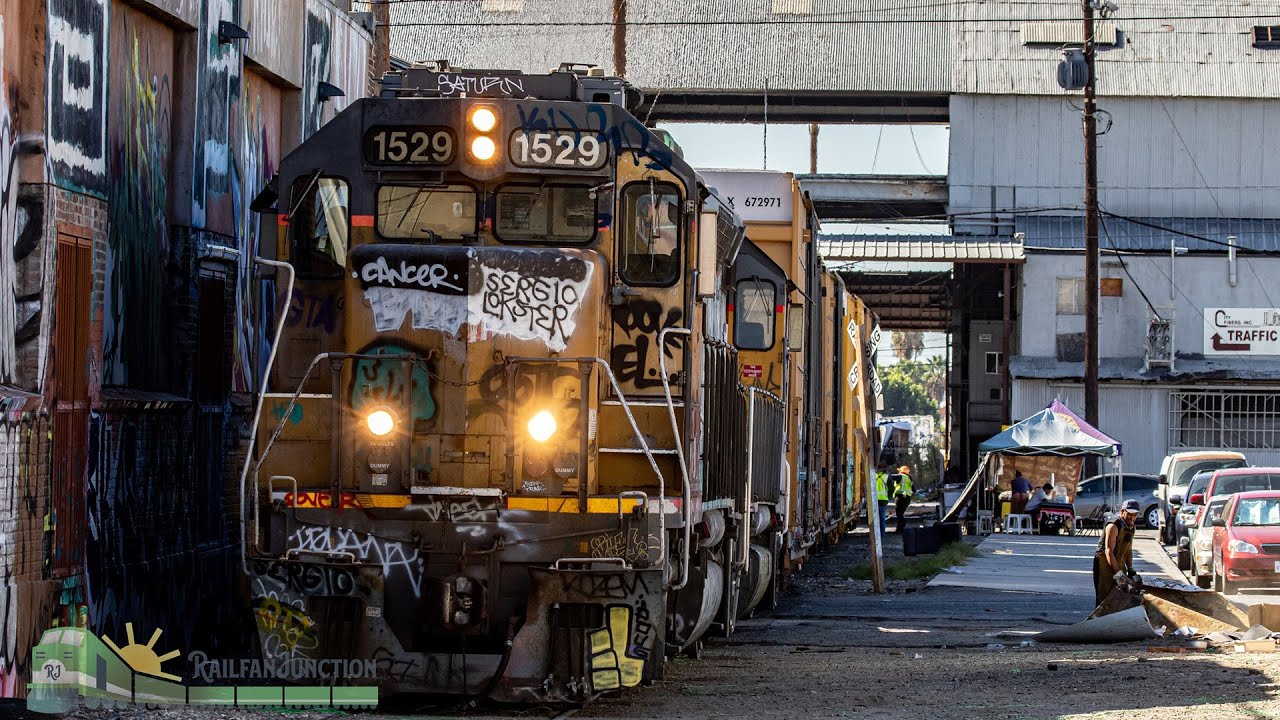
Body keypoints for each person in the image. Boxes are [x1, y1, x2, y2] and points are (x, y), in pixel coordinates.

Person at [1092, 499, 1139, 607]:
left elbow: (1128, 549)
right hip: (1104, 564)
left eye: (1135, 515)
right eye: (1129, 514)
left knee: (1121, 595)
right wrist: (1118, 574)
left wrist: (1130, 569)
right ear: (1122, 512)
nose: (1132, 518)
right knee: (1105, 596)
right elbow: (1108, 551)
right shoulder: (1113, 526)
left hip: (1120, 561)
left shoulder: (1131, 526)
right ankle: (1098, 622)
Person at [894, 465, 914, 533]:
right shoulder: (909, 478)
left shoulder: (900, 476)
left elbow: (891, 477)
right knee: (901, 513)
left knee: (899, 514)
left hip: (900, 497)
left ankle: (900, 528)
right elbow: (914, 489)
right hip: (907, 498)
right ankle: (901, 528)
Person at [874, 464, 891, 539]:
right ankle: (882, 537)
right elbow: (892, 488)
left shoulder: (872, 475)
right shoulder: (886, 476)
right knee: (882, 520)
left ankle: (874, 537)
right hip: (883, 500)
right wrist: (889, 496)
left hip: (873, 501)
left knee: (874, 520)